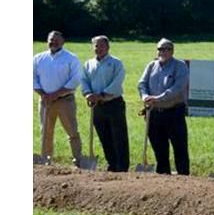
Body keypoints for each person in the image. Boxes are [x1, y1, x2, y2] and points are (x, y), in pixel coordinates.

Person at [138, 38, 190, 175]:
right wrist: (145, 97)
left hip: (174, 113)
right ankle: (163, 179)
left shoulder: (181, 66)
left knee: (180, 149)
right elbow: (142, 84)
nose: (164, 51)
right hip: (154, 114)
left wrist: (157, 98)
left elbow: (177, 88)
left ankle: (184, 178)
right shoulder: (151, 65)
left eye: (167, 49)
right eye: (161, 49)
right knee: (159, 149)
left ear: (172, 51)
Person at [33, 30, 83, 164]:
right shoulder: (38, 58)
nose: (53, 42)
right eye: (51, 39)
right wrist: (43, 94)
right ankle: (46, 160)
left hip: (65, 101)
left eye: (57, 40)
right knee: (46, 133)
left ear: (63, 42)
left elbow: (76, 79)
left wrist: (56, 94)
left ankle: (78, 160)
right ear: (47, 41)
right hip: (45, 101)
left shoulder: (71, 58)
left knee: (72, 131)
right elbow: (32, 78)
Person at [81, 35, 129, 172]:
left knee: (119, 137)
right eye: (96, 46)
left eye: (102, 45)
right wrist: (87, 93)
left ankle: (122, 167)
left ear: (108, 47)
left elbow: (117, 82)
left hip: (113, 104)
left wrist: (102, 95)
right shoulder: (88, 64)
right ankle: (112, 164)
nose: (99, 48)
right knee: (104, 137)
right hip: (96, 106)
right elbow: (84, 80)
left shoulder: (116, 63)